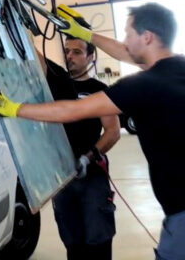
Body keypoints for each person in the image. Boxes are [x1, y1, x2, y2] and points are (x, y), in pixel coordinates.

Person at [0, 3, 185, 260]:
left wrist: (15, 109)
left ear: (147, 37)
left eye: (128, 33)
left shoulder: (141, 85)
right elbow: (129, 55)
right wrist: (86, 35)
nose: (124, 41)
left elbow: (73, 110)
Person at [44, 35, 120, 259]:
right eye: (67, 51)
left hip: (92, 176)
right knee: (72, 241)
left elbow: (113, 131)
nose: (70, 56)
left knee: (98, 239)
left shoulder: (99, 90)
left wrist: (88, 157)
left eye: (77, 52)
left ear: (90, 56)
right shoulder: (55, 84)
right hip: (62, 177)